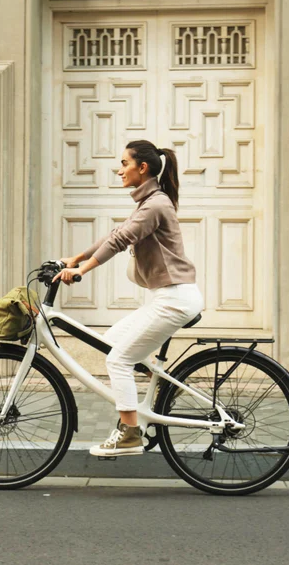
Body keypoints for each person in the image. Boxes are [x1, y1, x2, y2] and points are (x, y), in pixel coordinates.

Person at [54, 139, 204, 457]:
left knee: (117, 359)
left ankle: (130, 432)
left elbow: (121, 240)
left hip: (175, 299)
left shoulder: (155, 205)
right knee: (113, 344)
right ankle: (164, 386)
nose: (119, 169)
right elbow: (115, 233)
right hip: (168, 296)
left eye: (124, 163)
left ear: (142, 167)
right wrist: (75, 257)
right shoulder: (148, 202)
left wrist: (82, 270)